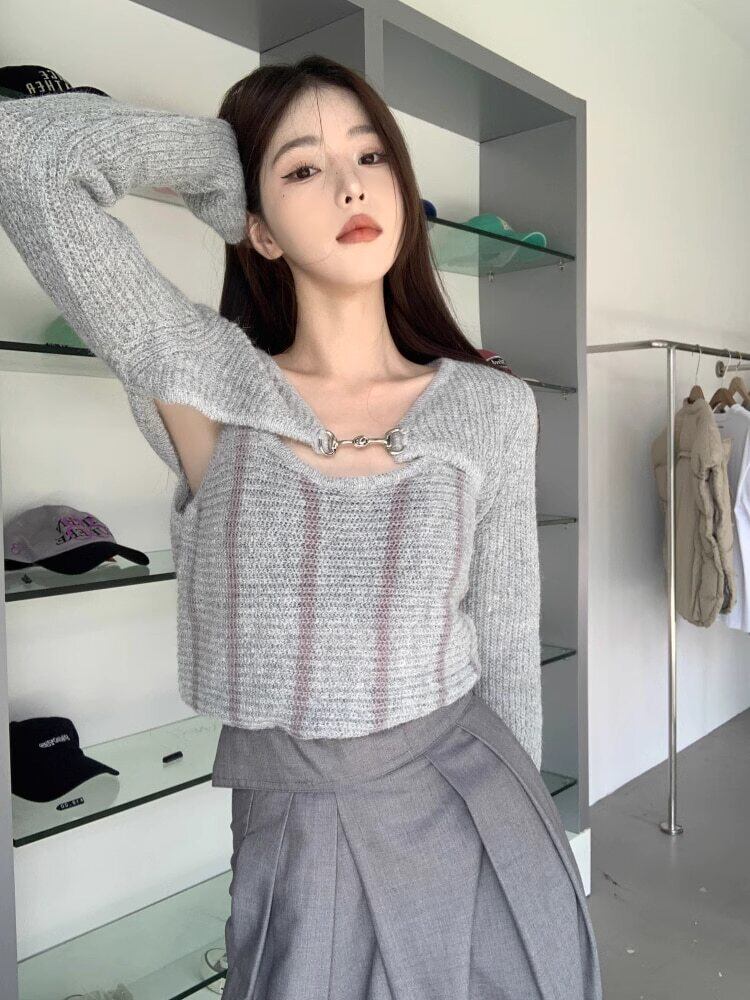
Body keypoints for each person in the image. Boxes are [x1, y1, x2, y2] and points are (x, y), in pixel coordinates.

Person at [0, 54, 602, 999]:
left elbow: (509, 647)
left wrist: (534, 852)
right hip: (298, 828)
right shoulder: (206, 383)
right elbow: (24, 158)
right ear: (259, 228)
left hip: (481, 800)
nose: (352, 185)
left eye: (371, 156)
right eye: (304, 169)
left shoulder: (490, 406)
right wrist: (221, 161)